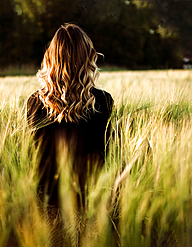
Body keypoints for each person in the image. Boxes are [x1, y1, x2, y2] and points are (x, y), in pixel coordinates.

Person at [27, 23, 114, 213]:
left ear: (51, 57)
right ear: (88, 58)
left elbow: (34, 155)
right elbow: (110, 153)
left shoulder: (34, 102)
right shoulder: (104, 101)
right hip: (89, 199)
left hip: (46, 200)